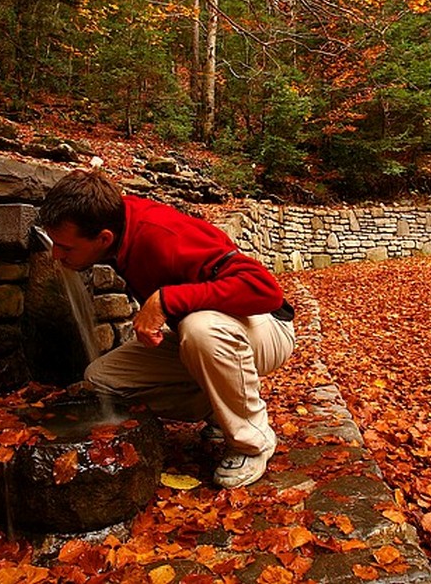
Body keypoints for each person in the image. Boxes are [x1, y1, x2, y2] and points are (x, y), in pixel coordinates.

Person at [38, 169, 296, 488]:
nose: (56, 255)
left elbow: (264, 289)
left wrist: (165, 300)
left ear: (103, 238)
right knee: (101, 381)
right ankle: (222, 408)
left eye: (65, 248)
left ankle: (252, 442)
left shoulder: (164, 234)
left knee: (200, 328)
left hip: (267, 326)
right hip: (216, 329)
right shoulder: (115, 225)